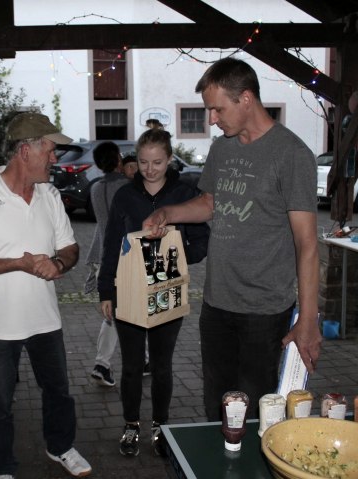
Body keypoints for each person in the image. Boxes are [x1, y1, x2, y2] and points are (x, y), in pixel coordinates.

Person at [142, 57, 322, 421]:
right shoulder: (223, 147)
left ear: (246, 99)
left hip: (264, 310)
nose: (211, 119)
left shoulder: (291, 154)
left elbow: (307, 244)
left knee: (255, 413)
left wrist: (308, 320)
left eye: (216, 109)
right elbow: (210, 202)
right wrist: (168, 213)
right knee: (216, 407)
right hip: (217, 305)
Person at [0, 112, 92, 479]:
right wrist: (17, 263)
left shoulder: (49, 195)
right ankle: (2, 467)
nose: (55, 157)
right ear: (25, 151)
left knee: (58, 391)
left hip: (45, 318)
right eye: (49, 149)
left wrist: (59, 263)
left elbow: (70, 247)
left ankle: (61, 447)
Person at [97, 128, 209, 457]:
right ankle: (131, 425)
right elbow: (110, 246)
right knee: (131, 366)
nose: (149, 169)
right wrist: (106, 290)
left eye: (157, 162)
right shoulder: (124, 196)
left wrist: (177, 250)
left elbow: (203, 241)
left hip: (167, 288)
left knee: (161, 365)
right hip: (128, 290)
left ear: (170, 159)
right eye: (143, 162)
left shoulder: (185, 193)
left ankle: (160, 426)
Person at [85, 142, 130, 387]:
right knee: (116, 314)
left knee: (121, 311)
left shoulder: (95, 188)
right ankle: (102, 363)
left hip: (106, 258)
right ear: (117, 159)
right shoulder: (125, 186)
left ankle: (142, 360)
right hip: (124, 258)